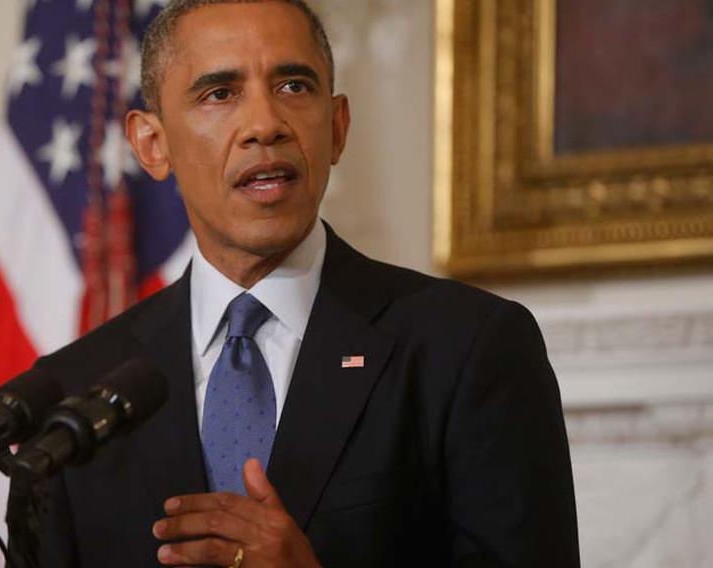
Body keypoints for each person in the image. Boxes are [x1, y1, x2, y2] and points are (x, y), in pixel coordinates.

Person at [37, 1, 580, 566]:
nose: (266, 124)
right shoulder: (72, 393)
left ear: (338, 127)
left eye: (294, 86)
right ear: (153, 144)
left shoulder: (468, 349)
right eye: (220, 93)